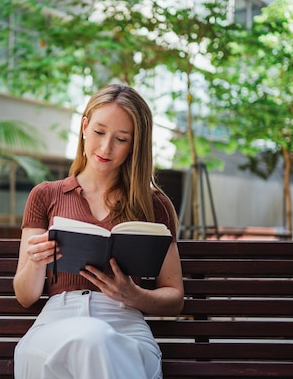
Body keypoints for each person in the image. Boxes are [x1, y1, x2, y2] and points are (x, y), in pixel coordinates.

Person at [13, 84, 184, 379]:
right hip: (56, 320)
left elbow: (175, 297)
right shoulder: (46, 195)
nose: (106, 148)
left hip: (124, 321)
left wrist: (134, 295)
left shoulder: (153, 204)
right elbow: (26, 296)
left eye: (121, 139)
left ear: (135, 145)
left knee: (96, 339)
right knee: (91, 338)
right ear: (84, 127)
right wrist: (36, 260)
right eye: (99, 132)